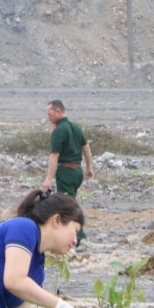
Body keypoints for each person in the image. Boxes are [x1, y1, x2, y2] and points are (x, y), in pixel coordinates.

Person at [42, 100, 94, 244]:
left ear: (58, 111)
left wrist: (48, 179)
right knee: (71, 202)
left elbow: (54, 156)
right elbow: (87, 148)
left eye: (50, 114)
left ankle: (80, 237)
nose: (48, 117)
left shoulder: (59, 130)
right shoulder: (75, 127)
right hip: (78, 172)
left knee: (68, 206)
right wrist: (89, 167)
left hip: (66, 171)